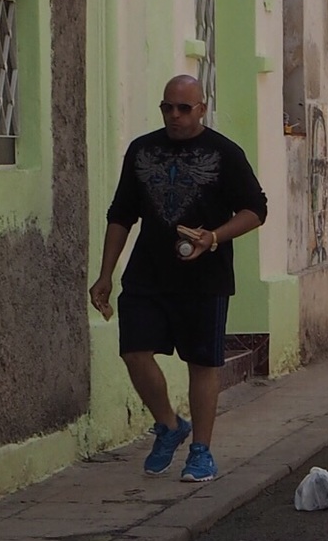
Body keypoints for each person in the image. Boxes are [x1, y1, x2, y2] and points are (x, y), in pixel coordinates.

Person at [89, 74, 270, 484]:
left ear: (201, 109)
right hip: (147, 272)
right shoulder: (142, 150)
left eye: (184, 108)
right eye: (167, 107)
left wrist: (214, 237)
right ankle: (169, 425)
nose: (174, 115)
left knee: (202, 363)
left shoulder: (224, 153)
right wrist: (105, 274)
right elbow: (121, 214)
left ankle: (201, 452)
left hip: (204, 277)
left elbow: (255, 210)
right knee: (135, 351)